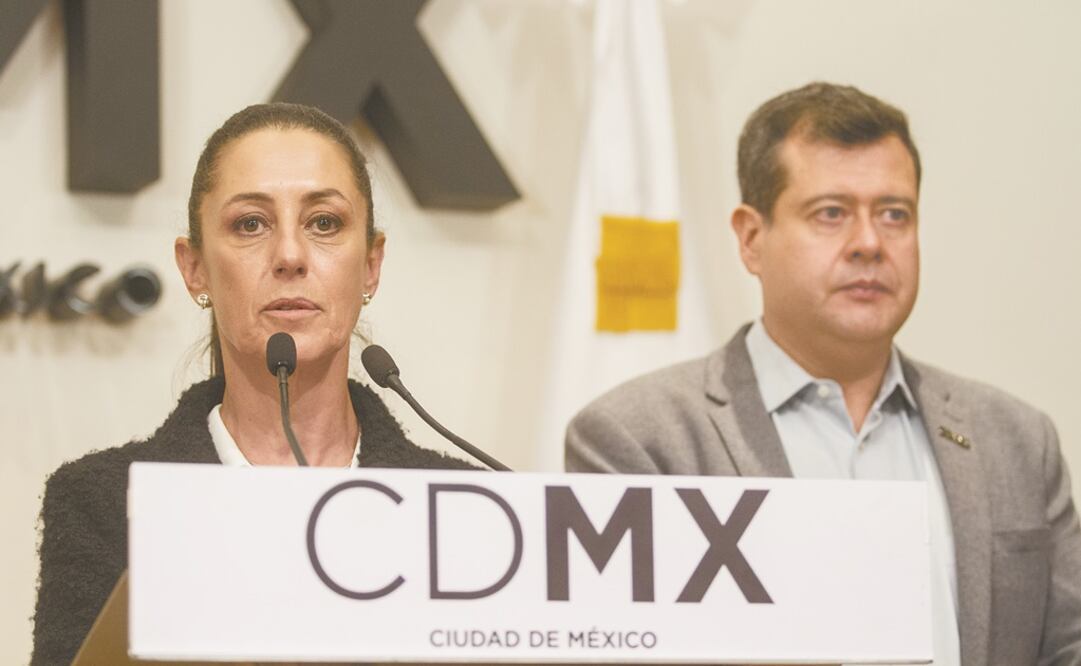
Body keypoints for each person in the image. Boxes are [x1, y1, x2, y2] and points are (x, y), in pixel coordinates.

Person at [566, 83, 1081, 665]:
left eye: (894, 214)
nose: (869, 243)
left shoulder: (1015, 439)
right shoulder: (640, 439)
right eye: (831, 213)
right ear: (752, 238)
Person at [32, 103, 476, 665]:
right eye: (250, 224)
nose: (290, 255)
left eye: (324, 222)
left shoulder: (462, 508)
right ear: (194, 268)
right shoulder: (104, 503)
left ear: (371, 264)